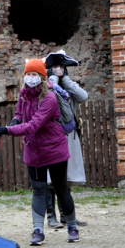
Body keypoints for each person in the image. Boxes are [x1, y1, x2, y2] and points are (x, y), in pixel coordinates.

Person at [0, 58, 80, 245]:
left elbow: (34, 125)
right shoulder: (23, 94)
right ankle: (38, 231)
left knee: (61, 188)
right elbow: (19, 114)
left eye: (34, 74)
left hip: (54, 149)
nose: (30, 78)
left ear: (41, 76)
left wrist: (7, 130)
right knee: (38, 190)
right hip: (34, 150)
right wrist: (14, 122)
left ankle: (72, 226)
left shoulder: (50, 98)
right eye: (28, 74)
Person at [44, 50, 88, 228]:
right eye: (55, 66)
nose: (59, 70)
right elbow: (50, 96)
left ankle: (66, 215)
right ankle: (51, 217)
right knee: (49, 178)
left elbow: (83, 97)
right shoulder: (45, 86)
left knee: (66, 175)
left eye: (62, 67)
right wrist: (53, 81)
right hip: (51, 136)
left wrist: (67, 83)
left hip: (68, 135)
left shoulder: (68, 84)